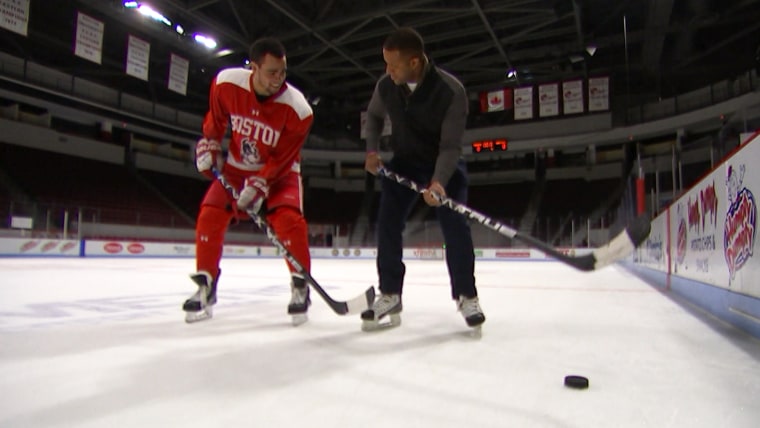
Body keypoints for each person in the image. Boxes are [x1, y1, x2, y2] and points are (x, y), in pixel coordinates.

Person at [183, 37, 314, 325]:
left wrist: (261, 183)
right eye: (271, 72)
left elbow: (282, 157)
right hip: (236, 168)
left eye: (283, 72)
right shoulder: (226, 84)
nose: (278, 79)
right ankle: (206, 284)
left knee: (288, 221)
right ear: (253, 67)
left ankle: (300, 285)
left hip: (280, 172)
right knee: (210, 214)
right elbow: (215, 124)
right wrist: (209, 146)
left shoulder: (299, 109)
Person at [361, 27, 485, 331]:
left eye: (394, 65)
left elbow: (450, 146)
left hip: (444, 167)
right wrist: (373, 150)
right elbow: (374, 116)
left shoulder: (450, 91)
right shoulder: (387, 86)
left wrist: (439, 181)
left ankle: (466, 295)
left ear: (414, 62)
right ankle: (390, 293)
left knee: (455, 227)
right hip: (404, 163)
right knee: (388, 221)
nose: (388, 72)